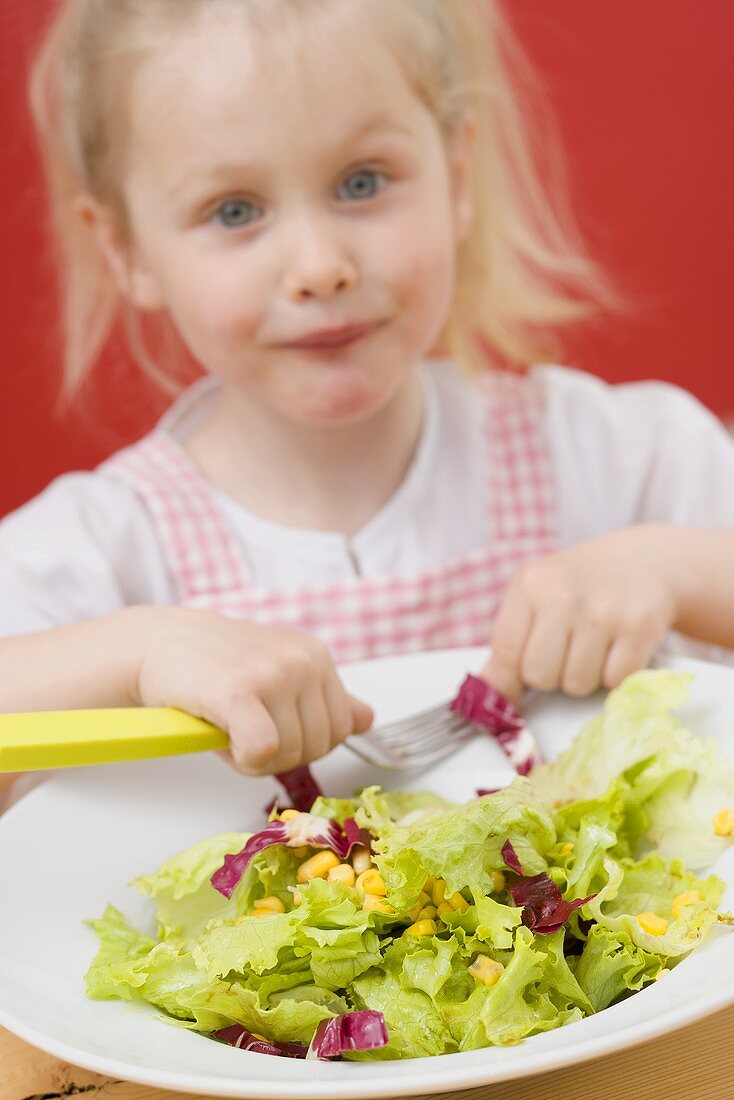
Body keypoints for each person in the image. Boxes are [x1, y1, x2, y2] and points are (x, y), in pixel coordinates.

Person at [2, 0, 734, 813]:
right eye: (234, 210)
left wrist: (678, 573)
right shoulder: (99, 553)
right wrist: (128, 653)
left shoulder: (627, 458)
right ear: (126, 250)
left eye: (362, 183)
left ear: (457, 179)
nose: (319, 267)